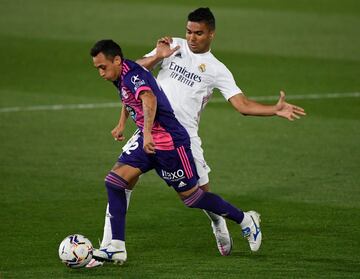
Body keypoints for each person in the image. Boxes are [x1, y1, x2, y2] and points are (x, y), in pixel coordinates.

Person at [97, 7, 306, 258]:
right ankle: (111, 247)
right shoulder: (172, 46)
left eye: (198, 33)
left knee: (197, 196)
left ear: (211, 34)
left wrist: (274, 109)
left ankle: (222, 220)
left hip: (181, 137)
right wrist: (158, 55)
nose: (192, 37)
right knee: (119, 181)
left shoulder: (217, 69)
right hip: (149, 131)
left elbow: (242, 106)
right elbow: (131, 74)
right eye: (189, 31)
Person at [89, 39, 264, 265]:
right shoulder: (121, 73)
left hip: (169, 142)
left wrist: (149, 134)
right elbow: (129, 97)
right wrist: (122, 123)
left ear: (117, 60)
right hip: (148, 139)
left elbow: (148, 99)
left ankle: (245, 219)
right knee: (114, 181)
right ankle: (116, 247)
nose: (101, 73)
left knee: (193, 198)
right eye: (97, 69)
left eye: (103, 67)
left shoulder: (133, 75)